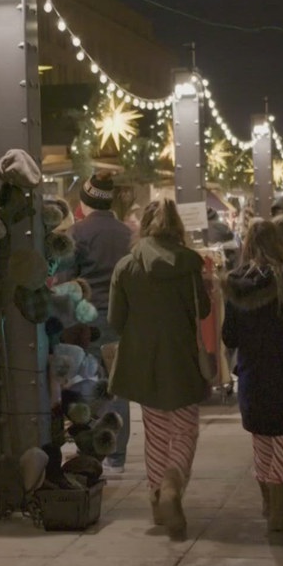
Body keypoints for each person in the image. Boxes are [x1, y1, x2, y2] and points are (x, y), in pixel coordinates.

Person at [108, 199, 211, 538]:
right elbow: (203, 309)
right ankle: (172, 484)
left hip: (142, 362)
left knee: (155, 433)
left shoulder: (126, 266)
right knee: (184, 430)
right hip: (182, 360)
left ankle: (157, 500)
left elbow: (115, 320)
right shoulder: (190, 263)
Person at [222, 219, 283, 532]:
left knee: (261, 445)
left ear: (247, 245)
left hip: (252, 376)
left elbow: (229, 336)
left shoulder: (235, 284)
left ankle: (268, 505)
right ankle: (279, 513)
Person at [67, 171, 133, 473]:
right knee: (118, 386)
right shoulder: (127, 233)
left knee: (91, 384)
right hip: (121, 320)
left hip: (89, 320)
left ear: (87, 200)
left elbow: (67, 281)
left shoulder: (78, 233)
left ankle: (94, 451)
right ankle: (117, 455)